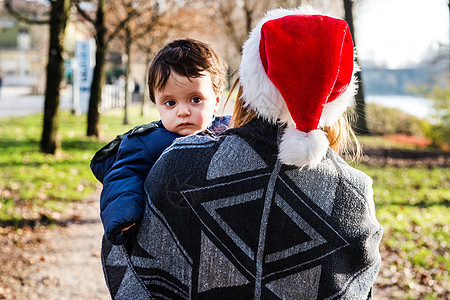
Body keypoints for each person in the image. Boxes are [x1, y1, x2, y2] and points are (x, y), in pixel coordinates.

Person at [101, 7, 383, 299]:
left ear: (248, 83)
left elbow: (125, 261)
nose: (183, 110)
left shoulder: (177, 164)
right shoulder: (354, 194)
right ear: (336, 94)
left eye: (195, 98)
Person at [91, 38, 229, 245]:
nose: (183, 111)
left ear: (216, 99)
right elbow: (123, 176)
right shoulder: (148, 142)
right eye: (170, 103)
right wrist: (123, 217)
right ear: (157, 103)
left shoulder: (230, 131)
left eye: (195, 99)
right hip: (174, 231)